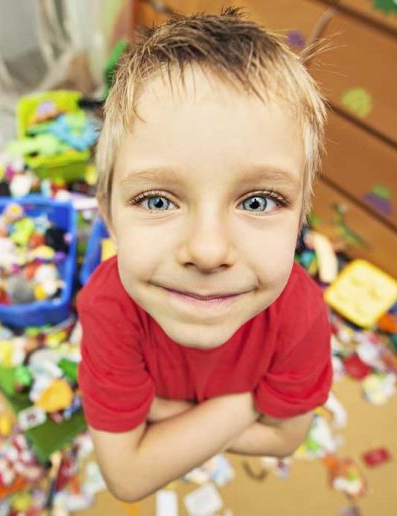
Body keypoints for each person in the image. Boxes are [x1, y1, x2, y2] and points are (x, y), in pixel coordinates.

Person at [77, 8, 333, 502]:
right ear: (107, 213)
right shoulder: (107, 306)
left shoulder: (301, 313)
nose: (209, 251)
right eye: (157, 200)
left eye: (258, 201)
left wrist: (161, 414)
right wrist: (245, 407)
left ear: (300, 216)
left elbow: (286, 437)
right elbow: (127, 477)